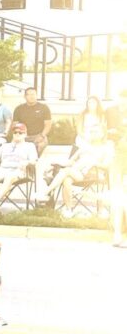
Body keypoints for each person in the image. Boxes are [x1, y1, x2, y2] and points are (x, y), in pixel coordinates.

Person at [42, 124, 112, 219]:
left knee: (67, 173)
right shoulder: (84, 147)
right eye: (91, 132)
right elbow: (71, 161)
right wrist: (58, 163)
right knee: (67, 179)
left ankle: (47, 192)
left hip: (93, 174)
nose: (93, 134)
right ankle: (69, 210)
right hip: (78, 173)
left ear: (102, 133)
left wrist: (94, 163)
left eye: (96, 132)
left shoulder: (106, 147)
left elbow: (107, 165)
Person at [0, 122, 38, 214]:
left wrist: (26, 162)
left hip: (19, 170)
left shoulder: (29, 146)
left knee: (9, 177)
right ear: (12, 134)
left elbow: (34, 161)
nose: (17, 134)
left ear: (25, 134)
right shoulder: (5, 146)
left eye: (21, 133)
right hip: (3, 169)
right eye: (15, 132)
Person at [105, 90, 127, 247]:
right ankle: (117, 234)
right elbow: (106, 134)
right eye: (121, 101)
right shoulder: (111, 112)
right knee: (117, 197)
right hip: (118, 157)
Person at [13, 87, 52, 156]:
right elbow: (15, 125)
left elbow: (48, 125)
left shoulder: (44, 107)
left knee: (41, 145)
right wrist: (20, 136)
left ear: (36, 95)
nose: (31, 96)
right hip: (23, 136)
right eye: (29, 94)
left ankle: (35, 161)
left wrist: (42, 136)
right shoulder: (18, 109)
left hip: (39, 135)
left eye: (33, 94)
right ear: (25, 96)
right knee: (13, 147)